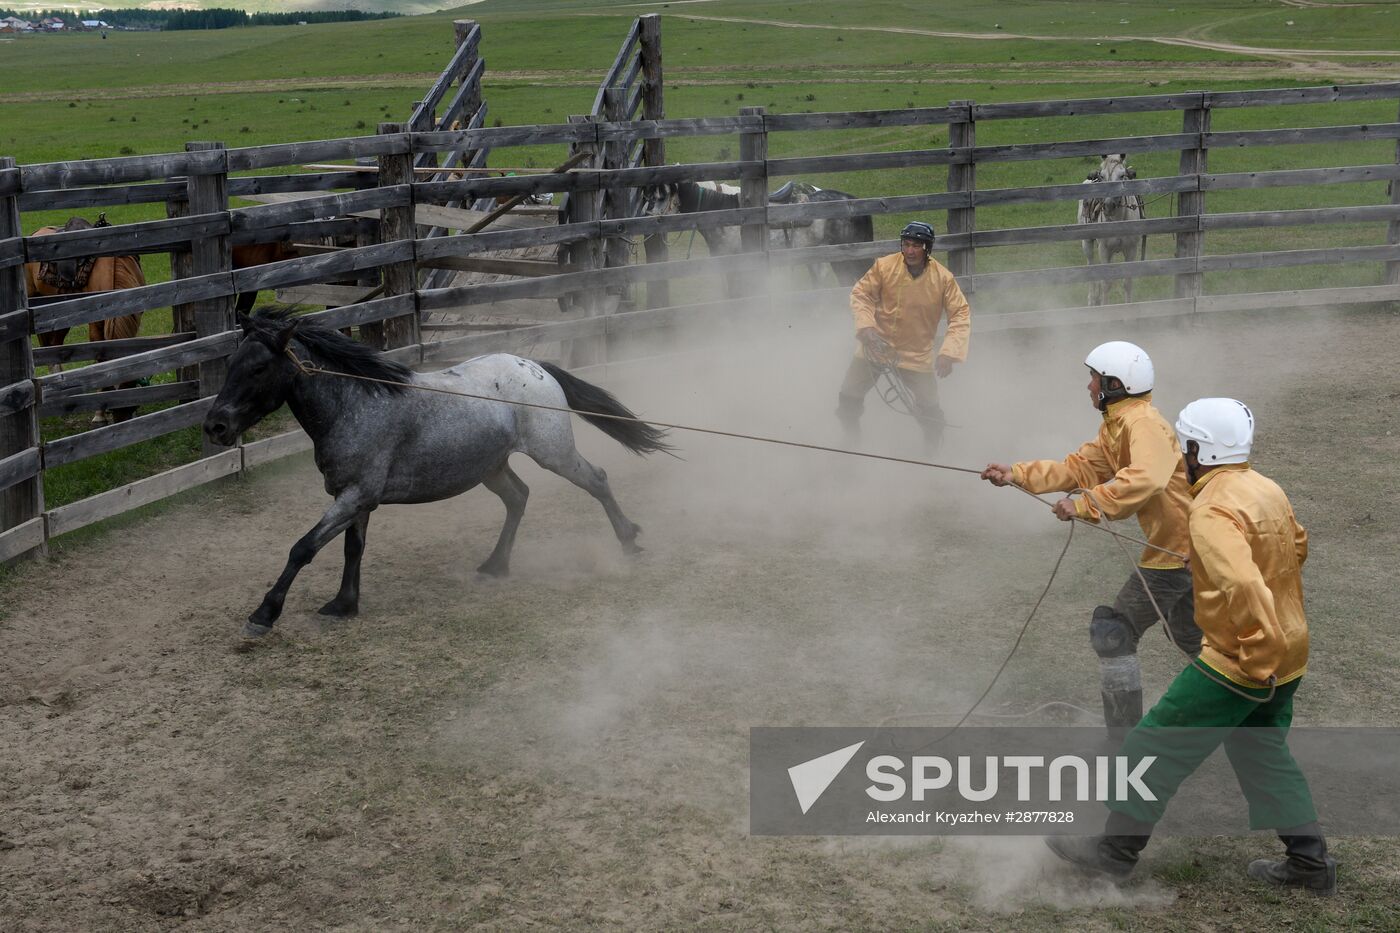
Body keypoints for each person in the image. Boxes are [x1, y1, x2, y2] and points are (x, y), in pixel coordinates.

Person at [1046, 398, 1335, 896]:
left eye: (1186, 445)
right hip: (1292, 651)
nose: (1181, 455)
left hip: (1241, 661)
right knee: (1261, 754)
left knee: (1152, 745)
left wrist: (1255, 655)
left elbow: (1244, 585)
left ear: (1200, 449)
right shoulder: (1266, 487)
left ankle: (1114, 854)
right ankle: (1310, 864)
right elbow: (1297, 546)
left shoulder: (1209, 510)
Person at [981, 341, 1201, 740]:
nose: (1088, 386)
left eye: (1094, 378)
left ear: (1114, 384)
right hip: (1188, 550)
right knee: (1197, 641)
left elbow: (1147, 479)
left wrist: (1087, 505)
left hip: (1180, 553)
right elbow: (1079, 468)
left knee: (1113, 633)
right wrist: (1017, 473)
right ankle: (1240, 708)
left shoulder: (1143, 425)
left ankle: (1124, 743)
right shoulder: (1119, 424)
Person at [836, 221, 970, 447]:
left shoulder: (943, 279)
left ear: (927, 248)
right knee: (848, 397)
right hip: (876, 345)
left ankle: (932, 452)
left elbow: (960, 314)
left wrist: (949, 353)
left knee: (930, 411)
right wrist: (866, 325)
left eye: (916, 246)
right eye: (906, 245)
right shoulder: (884, 267)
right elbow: (861, 294)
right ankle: (851, 440)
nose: (909, 251)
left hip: (916, 354)